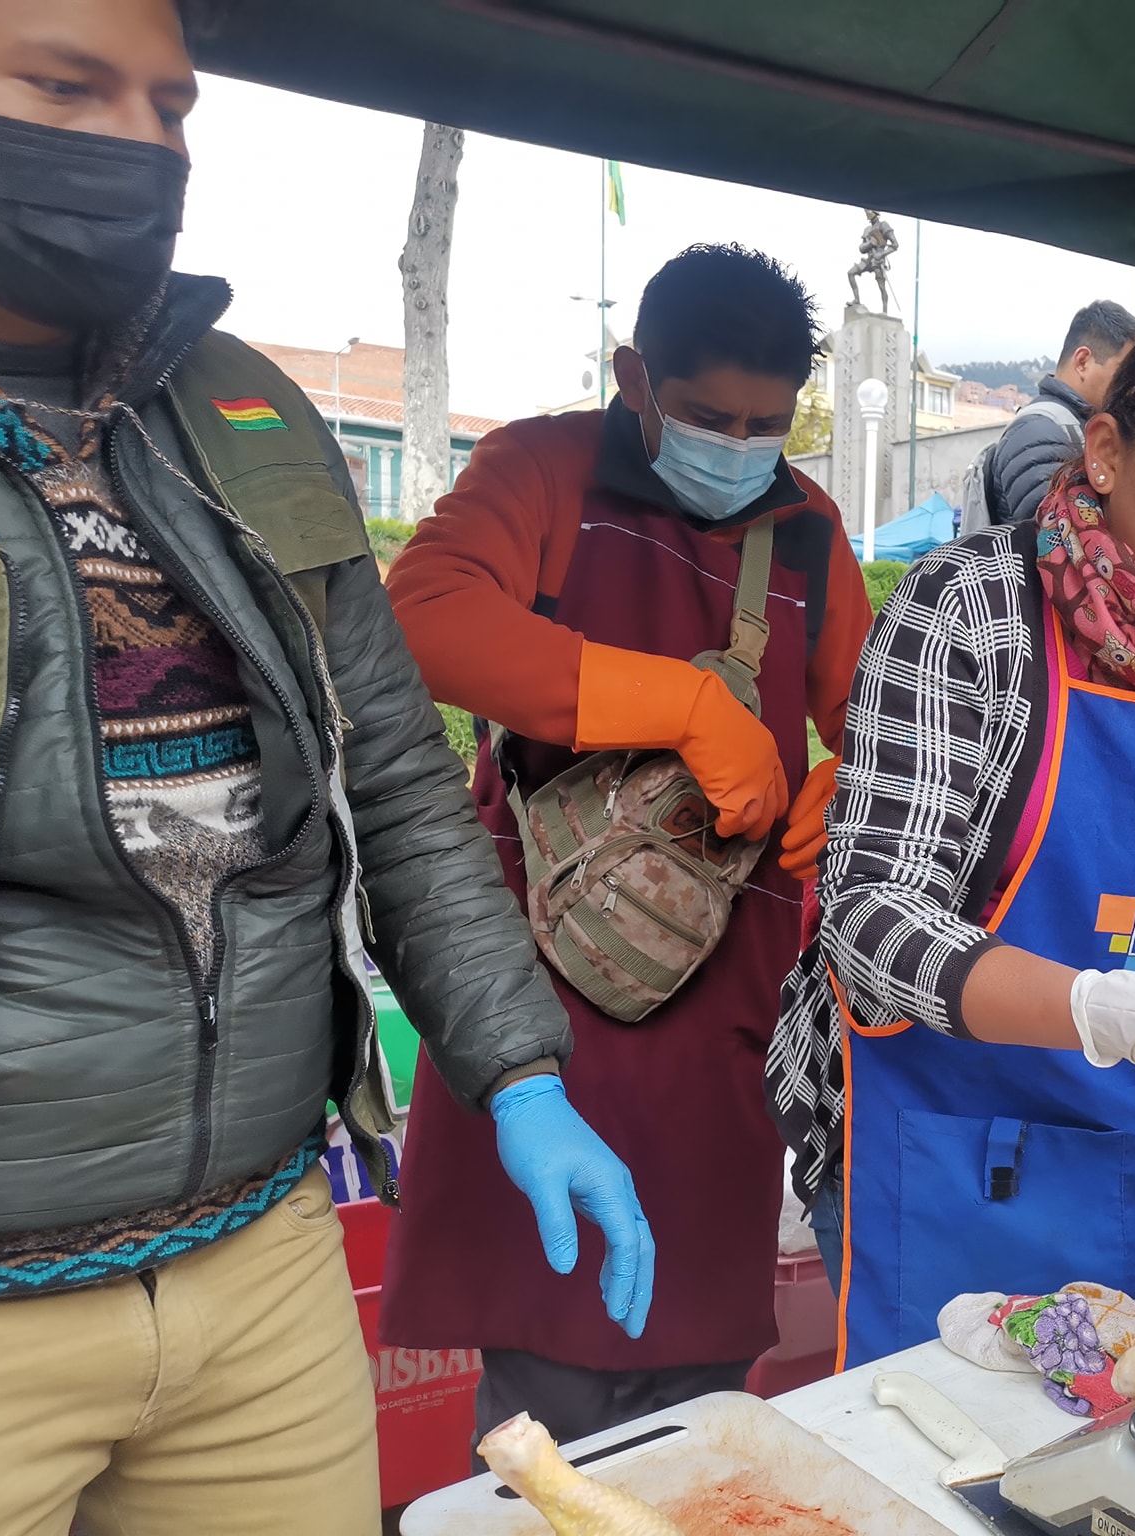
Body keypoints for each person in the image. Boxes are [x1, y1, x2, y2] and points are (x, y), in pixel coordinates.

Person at [0, 3, 645, 1531]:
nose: (137, 142)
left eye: (171, 107)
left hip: (260, 1265)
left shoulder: (244, 414)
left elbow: (391, 780)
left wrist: (519, 1072)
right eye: (65, 87)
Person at [771, 303, 1135, 1368]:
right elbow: (869, 918)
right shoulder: (970, 611)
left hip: (1122, 1137)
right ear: (1109, 451)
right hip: (925, 1128)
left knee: (1083, 1456)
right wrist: (1100, 1006)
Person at [382, 247, 870, 1450]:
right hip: (537, 962)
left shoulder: (804, 525)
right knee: (548, 1353)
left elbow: (880, 717)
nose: (738, 445)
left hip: (723, 980)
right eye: (707, 416)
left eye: (766, 423)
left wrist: (851, 784)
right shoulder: (541, 468)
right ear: (632, 378)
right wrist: (691, 707)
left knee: (702, 1354)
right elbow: (420, 618)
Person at [986, 298, 1135, 525]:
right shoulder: (1038, 430)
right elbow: (1057, 532)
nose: (1129, 385)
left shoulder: (1075, 426)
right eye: (1123, 371)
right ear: (1083, 362)